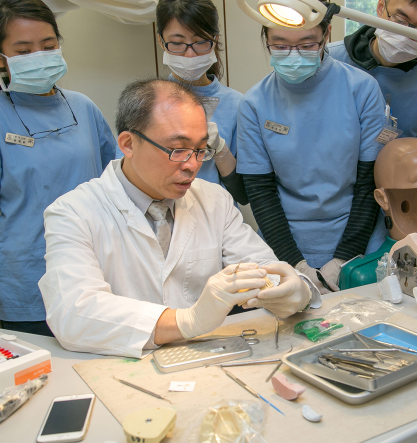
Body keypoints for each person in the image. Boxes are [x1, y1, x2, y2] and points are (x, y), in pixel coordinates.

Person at [39, 79, 320, 358]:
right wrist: (188, 320)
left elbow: (262, 268)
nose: (192, 165)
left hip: (205, 363)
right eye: (178, 149)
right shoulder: (72, 212)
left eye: (201, 150)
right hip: (124, 370)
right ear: (128, 143)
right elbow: (74, 313)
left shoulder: (213, 200)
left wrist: (294, 290)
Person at [0, 0, 117, 335]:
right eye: (24, 50)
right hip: (29, 279)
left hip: (99, 269)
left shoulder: (83, 107)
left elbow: (118, 183)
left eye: (48, 46)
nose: (40, 57)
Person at [236, 11, 386, 295]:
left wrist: (343, 260)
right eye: (280, 46)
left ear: (326, 34)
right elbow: (260, 191)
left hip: (356, 237)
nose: (293, 55)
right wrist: (296, 264)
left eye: (306, 45)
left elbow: (370, 184)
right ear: (266, 39)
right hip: (283, 243)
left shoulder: (362, 89)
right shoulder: (255, 102)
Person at [327, 0, 417, 239]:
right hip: (334, 211)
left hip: (405, 211)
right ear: (380, 8)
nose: (406, 34)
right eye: (400, 20)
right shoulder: (329, 61)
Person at [155, 0, 248, 205]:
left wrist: (220, 150)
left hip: (217, 223)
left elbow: (243, 195)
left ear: (214, 40)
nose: (190, 54)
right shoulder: (148, 102)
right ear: (161, 41)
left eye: (200, 42)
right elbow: (128, 178)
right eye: (177, 43)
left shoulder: (237, 104)